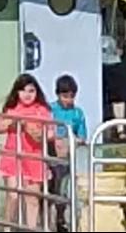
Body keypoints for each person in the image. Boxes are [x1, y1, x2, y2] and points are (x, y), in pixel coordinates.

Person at [0, 74, 55, 231]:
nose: (27, 95)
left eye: (31, 90)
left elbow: (50, 133)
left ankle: (31, 228)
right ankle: (7, 226)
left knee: (32, 199)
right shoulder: (11, 108)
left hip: (34, 157)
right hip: (13, 157)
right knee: (13, 195)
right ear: (17, 92)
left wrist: (36, 132)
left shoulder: (42, 110)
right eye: (23, 91)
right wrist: (14, 122)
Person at [48, 75, 89, 231]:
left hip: (66, 157)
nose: (68, 100)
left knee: (63, 188)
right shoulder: (51, 109)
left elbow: (82, 136)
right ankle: (45, 218)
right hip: (50, 155)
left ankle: (60, 219)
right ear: (58, 95)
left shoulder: (77, 113)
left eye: (71, 97)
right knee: (51, 187)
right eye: (65, 96)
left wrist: (75, 140)